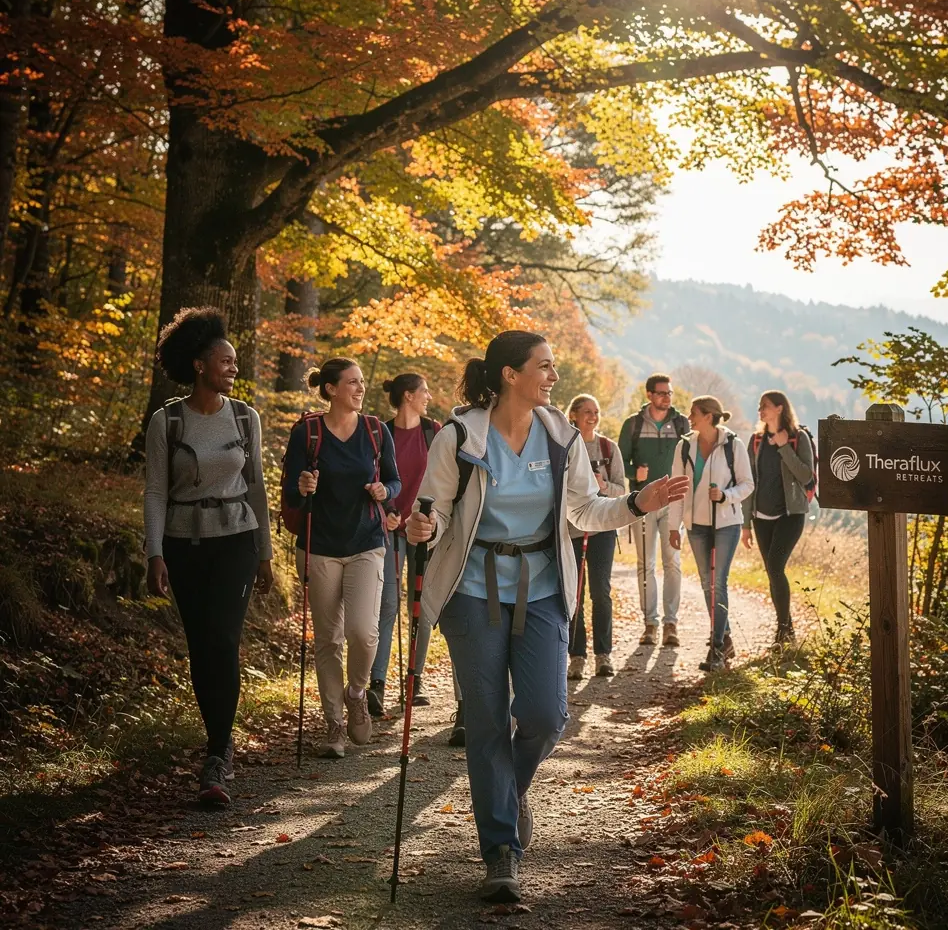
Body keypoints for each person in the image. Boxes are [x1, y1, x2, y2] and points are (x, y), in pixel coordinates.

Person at [407, 331, 689, 903]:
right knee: (485, 721)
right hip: (471, 591)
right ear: (510, 374)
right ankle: (501, 852)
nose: (553, 375)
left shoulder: (562, 435)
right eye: (545, 365)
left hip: (541, 590)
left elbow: (584, 510)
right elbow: (432, 508)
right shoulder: (460, 437)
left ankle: (508, 791)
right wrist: (422, 528)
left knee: (545, 714)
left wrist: (638, 503)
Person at [144, 306, 275, 806]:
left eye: (235, 362)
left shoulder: (245, 416)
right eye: (225, 361)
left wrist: (264, 553)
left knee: (222, 636)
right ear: (199, 365)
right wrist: (154, 553)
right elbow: (155, 492)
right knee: (203, 645)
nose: (233, 368)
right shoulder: (167, 421)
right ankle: (216, 739)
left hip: (237, 540)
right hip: (183, 544)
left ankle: (218, 756)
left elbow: (257, 487)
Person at [282, 358, 401, 758]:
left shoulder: (375, 430)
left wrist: (386, 492)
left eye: (362, 382)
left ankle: (356, 692)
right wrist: (303, 485)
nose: (360, 388)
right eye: (352, 382)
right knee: (328, 639)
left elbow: (394, 480)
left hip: (367, 542)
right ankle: (333, 723)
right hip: (320, 547)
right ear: (331, 389)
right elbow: (290, 493)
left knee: (364, 632)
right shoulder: (308, 432)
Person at [367, 373, 442, 716]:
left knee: (422, 605)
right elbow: (372, 480)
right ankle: (377, 683)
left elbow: (445, 479)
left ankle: (415, 679)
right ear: (409, 396)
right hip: (391, 528)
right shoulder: (380, 433)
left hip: (425, 531)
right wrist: (388, 510)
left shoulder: (434, 432)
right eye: (424, 391)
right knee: (386, 605)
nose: (429, 396)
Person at [668, 395, 753, 670]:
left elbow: (747, 484)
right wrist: (674, 526)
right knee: (707, 583)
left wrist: (725, 495)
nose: (689, 417)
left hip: (726, 522)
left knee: (718, 582)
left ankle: (715, 649)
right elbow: (677, 490)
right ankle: (725, 639)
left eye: (694, 413)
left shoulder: (733, 445)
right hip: (697, 525)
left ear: (708, 416)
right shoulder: (684, 446)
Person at [617, 373, 690, 646]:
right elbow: (620, 460)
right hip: (644, 503)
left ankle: (671, 624)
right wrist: (633, 471)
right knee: (645, 565)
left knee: (673, 563)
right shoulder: (633, 425)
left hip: (674, 503)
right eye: (661, 393)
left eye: (669, 393)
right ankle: (650, 624)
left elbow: (690, 460)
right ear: (649, 395)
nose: (666, 398)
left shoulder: (682, 423)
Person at [741, 390, 815, 644]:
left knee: (775, 566)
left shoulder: (797, 438)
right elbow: (749, 482)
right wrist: (745, 523)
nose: (760, 410)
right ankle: (785, 630)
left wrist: (784, 447)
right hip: (760, 517)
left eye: (765, 406)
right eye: (760, 406)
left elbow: (806, 476)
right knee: (772, 572)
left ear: (780, 408)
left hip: (789, 515)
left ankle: (785, 630)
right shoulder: (756, 441)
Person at [565, 394, 626, 680]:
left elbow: (621, 490)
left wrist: (603, 485)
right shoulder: (563, 445)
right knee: (574, 593)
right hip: (572, 529)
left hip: (602, 528)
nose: (592, 416)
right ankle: (576, 657)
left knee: (600, 591)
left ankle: (604, 655)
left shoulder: (608, 447)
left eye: (596, 411)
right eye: (587, 411)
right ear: (574, 415)